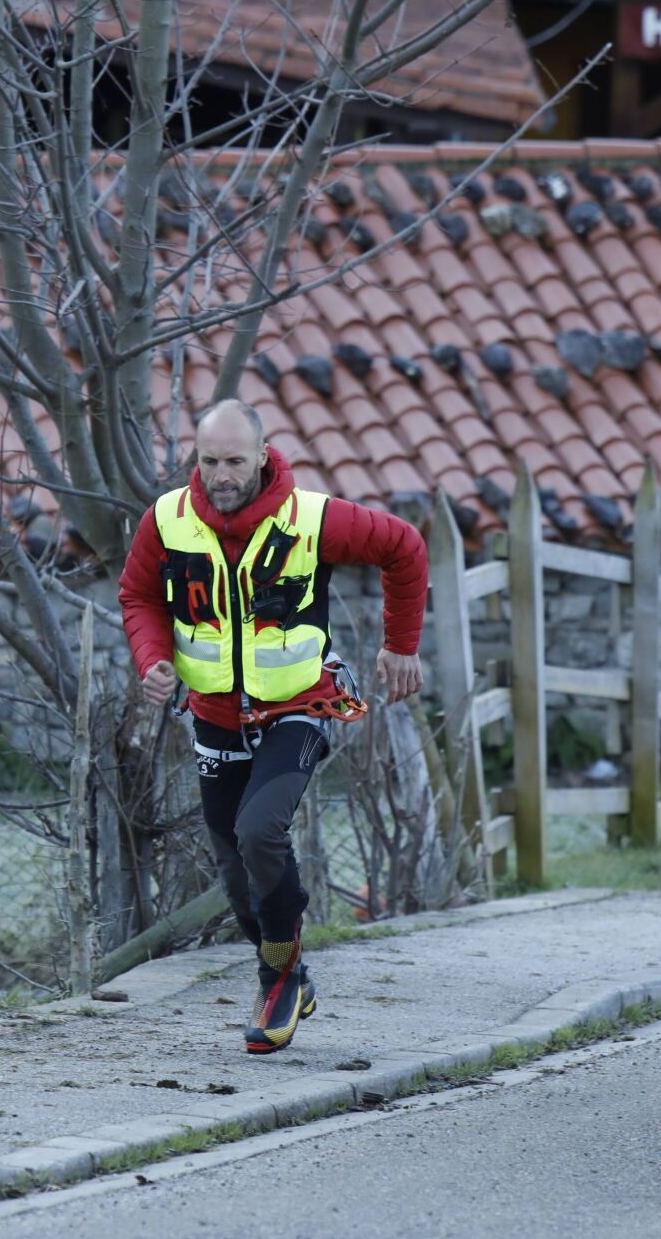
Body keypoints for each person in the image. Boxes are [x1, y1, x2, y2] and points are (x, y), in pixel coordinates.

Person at [118, 399, 428, 1054]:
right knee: (236, 872)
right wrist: (153, 659)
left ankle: (277, 978)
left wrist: (401, 643)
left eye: (235, 460)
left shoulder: (310, 518)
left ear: (262, 455)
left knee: (261, 832)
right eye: (209, 461)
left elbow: (404, 546)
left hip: (302, 705)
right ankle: (288, 971)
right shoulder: (166, 522)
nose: (222, 474)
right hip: (214, 716)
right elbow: (139, 594)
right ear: (193, 459)